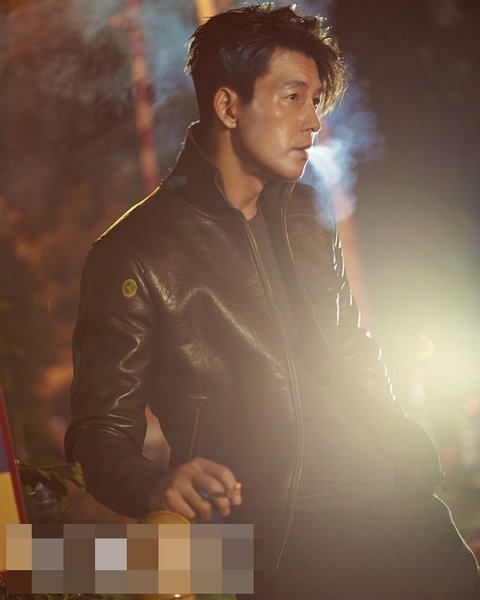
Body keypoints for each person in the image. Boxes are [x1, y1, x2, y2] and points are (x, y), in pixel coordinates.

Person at [65, 4, 480, 598]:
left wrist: (400, 435)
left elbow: (350, 344)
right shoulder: (132, 253)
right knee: (50, 562)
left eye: (316, 101)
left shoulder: (307, 214)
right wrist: (151, 485)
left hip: (404, 510)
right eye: (293, 97)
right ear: (228, 106)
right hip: (283, 538)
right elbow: (98, 433)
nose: (313, 121)